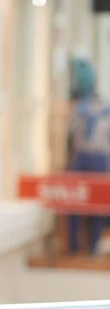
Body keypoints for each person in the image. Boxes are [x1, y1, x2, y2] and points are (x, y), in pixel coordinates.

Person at [66, 57, 110, 256]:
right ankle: (74, 246)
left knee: (99, 200)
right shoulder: (78, 110)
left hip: (100, 158)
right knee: (70, 194)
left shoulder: (106, 111)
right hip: (81, 156)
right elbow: (70, 134)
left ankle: (94, 245)